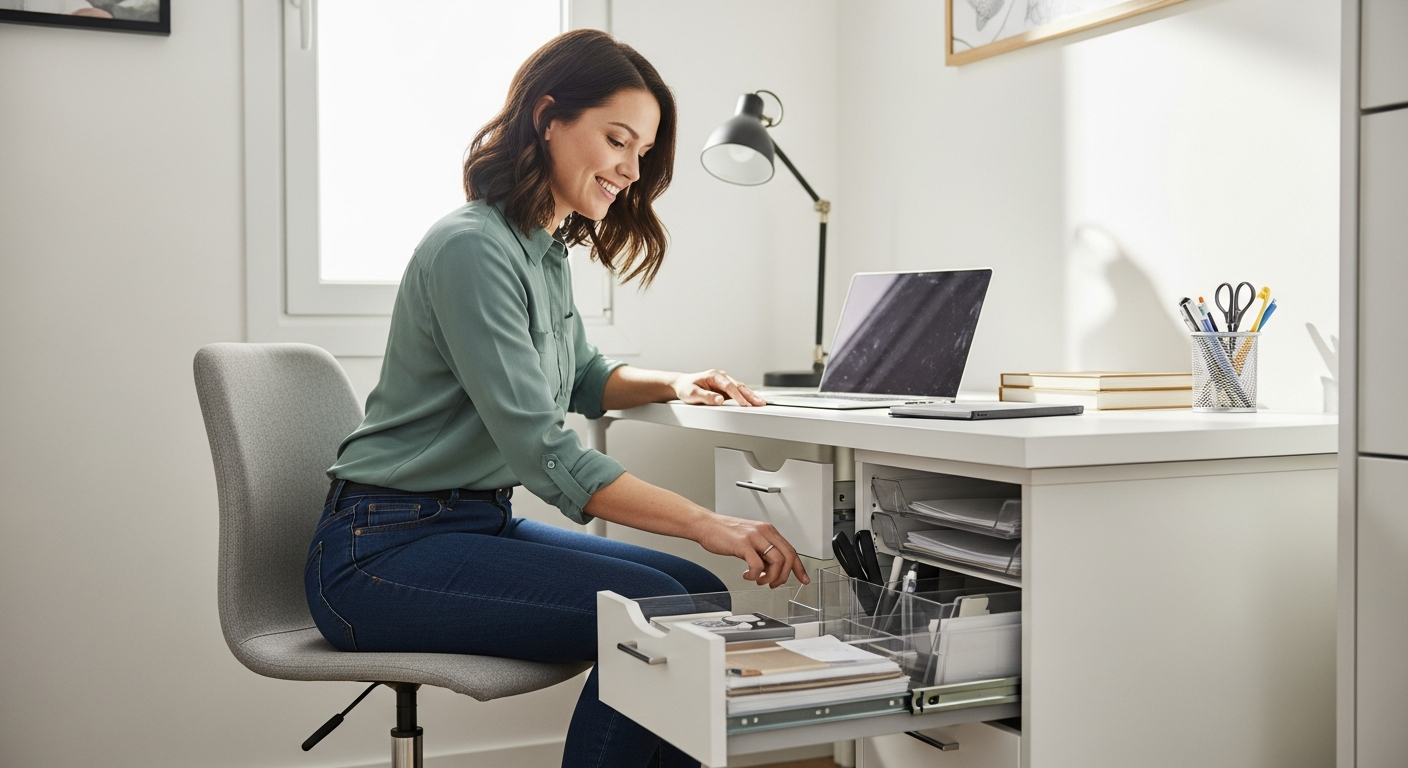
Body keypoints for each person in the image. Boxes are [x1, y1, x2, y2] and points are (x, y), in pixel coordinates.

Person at [304, 29, 808, 768]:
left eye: (642, 153)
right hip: (381, 552)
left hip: (472, 526)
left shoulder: (543, 250)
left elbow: (582, 379)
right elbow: (543, 449)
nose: (632, 171)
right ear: (548, 118)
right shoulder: (471, 247)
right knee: (668, 616)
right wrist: (708, 521)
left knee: (700, 595)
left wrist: (675, 382)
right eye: (618, 141)